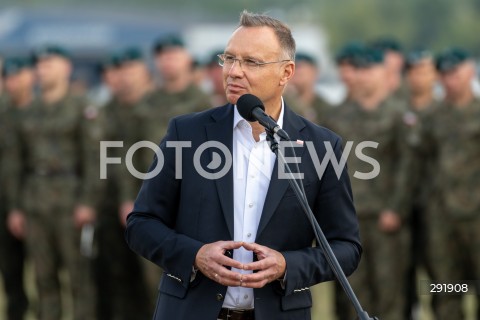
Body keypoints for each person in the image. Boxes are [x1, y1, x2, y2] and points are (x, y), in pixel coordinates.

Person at [125, 10, 361, 320]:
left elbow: (346, 247)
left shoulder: (321, 146)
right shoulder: (187, 133)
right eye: (229, 59)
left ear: (286, 73)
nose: (234, 71)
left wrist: (288, 265)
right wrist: (194, 256)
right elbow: (141, 224)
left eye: (251, 62)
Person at [5, 44, 102, 320]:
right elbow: (15, 163)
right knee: (43, 278)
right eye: (40, 64)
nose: (43, 68)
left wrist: (88, 202)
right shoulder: (28, 111)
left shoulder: (83, 107)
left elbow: (96, 158)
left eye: (50, 63)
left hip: (71, 203)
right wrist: (15, 207)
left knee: (79, 279)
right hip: (35, 202)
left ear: (66, 68)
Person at [326, 46, 410, 320]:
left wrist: (396, 209)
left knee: (389, 293)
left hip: (384, 219)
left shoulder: (398, 114)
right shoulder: (336, 116)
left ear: (383, 73)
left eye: (369, 70)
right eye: (358, 70)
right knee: (352, 295)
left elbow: (406, 167)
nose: (362, 76)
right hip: (347, 221)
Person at [421, 47, 480, 320]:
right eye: (443, 75)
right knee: (445, 285)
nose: (449, 80)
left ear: (469, 72)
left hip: (476, 215)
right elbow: (422, 161)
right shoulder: (434, 116)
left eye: (454, 73)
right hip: (442, 216)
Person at [401, 49, 439, 319]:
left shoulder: (445, 110)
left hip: (439, 209)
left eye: (425, 70)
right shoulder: (396, 109)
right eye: (414, 71)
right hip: (401, 209)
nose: (419, 77)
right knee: (402, 275)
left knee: (440, 274)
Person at [0, 56, 33, 320]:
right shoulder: (3, 111)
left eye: (18, 74)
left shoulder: (42, 109)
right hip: (5, 202)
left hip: (38, 200)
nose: (13, 82)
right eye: (8, 76)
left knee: (47, 273)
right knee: (10, 271)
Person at [284, 52, 332, 125]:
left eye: (299, 68)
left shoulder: (326, 109)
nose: (295, 72)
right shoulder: (281, 103)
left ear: (314, 72)